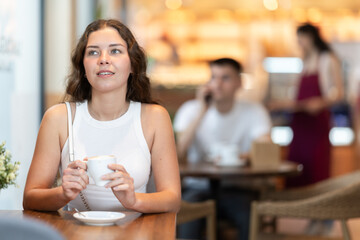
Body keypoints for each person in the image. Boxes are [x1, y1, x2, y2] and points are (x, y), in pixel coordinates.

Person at [23, 19, 181, 213]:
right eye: (93, 52)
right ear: (83, 67)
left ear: (132, 64)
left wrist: (133, 201)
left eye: (115, 51)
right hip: (74, 232)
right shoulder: (58, 118)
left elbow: (172, 199)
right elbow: (30, 198)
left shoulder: (155, 117)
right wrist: (63, 193)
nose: (103, 59)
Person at [174, 58, 272, 240]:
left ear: (239, 83)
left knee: (248, 217)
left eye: (225, 78)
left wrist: (241, 157)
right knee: (188, 220)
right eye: (213, 77)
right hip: (197, 187)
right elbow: (178, 153)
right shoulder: (190, 110)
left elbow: (265, 147)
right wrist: (202, 110)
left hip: (237, 186)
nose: (217, 84)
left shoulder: (254, 111)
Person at [268, 23, 344, 235]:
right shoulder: (304, 60)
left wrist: (319, 103)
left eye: (301, 37)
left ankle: (324, 218)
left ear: (311, 37)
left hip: (316, 123)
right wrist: (286, 104)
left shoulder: (327, 58)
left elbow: (337, 94)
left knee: (318, 168)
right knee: (301, 169)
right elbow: (297, 96)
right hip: (300, 123)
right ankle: (312, 216)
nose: (299, 42)